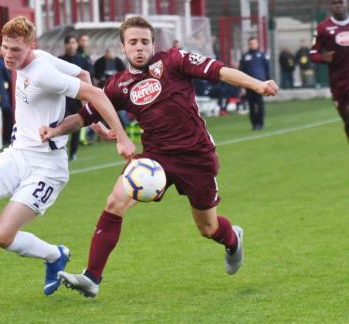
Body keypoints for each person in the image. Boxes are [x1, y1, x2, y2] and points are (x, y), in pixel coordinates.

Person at [40, 16, 278, 298]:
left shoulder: (175, 61)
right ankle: (92, 278)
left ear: (153, 44)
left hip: (196, 156)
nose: (139, 47)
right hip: (155, 158)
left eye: (144, 42)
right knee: (114, 202)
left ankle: (232, 238)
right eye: (133, 42)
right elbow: (85, 114)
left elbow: (220, 71)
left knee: (207, 227)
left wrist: (258, 85)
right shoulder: (119, 85)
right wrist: (55, 130)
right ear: (123, 47)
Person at [0, 16, 135, 296]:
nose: (8, 55)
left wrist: (118, 133)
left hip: (47, 167)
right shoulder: (35, 58)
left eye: (16, 50)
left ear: (31, 46)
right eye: (5, 47)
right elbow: (82, 74)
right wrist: (93, 123)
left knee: (1, 236)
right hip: (18, 154)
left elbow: (95, 92)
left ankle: (54, 255)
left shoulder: (43, 71)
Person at [310, 0, 349, 142]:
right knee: (347, 120)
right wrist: (323, 58)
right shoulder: (323, 27)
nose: (337, 5)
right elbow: (313, 53)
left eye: (340, 2)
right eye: (334, 3)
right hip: (338, 82)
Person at [58, 34, 90, 161]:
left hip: (78, 97)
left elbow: (88, 77)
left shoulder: (83, 60)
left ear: (77, 45)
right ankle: (61, 150)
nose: (71, 45)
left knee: (77, 124)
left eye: (73, 43)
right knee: (62, 124)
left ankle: (73, 153)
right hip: (64, 98)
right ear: (65, 45)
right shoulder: (59, 60)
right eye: (69, 43)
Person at [239, 36, 270, 130]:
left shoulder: (262, 55)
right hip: (248, 84)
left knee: (260, 104)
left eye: (254, 43)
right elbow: (241, 71)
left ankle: (261, 123)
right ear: (249, 45)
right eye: (251, 43)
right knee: (251, 105)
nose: (253, 45)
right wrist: (242, 86)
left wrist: (268, 82)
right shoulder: (245, 57)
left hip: (260, 84)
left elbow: (267, 69)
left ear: (257, 44)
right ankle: (254, 124)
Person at [0, 44, 14, 146]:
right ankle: (7, 138)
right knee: (8, 116)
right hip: (2, 94)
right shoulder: (0, 62)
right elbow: (9, 78)